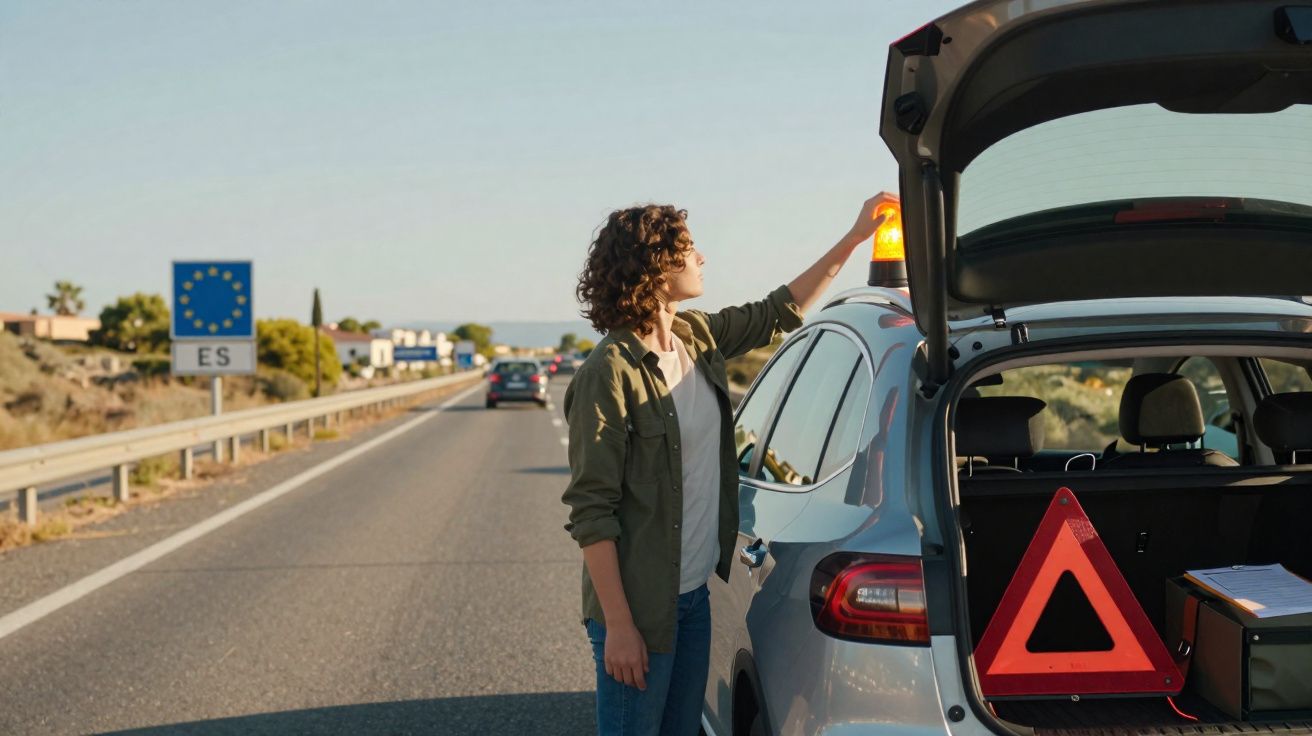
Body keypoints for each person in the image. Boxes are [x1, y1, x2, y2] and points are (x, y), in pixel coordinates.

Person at [563, 192, 899, 735]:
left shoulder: (695, 338)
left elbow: (780, 311)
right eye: (690, 250)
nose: (702, 260)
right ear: (656, 267)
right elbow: (591, 512)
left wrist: (856, 236)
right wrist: (620, 626)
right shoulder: (610, 372)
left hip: (693, 598)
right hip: (640, 610)